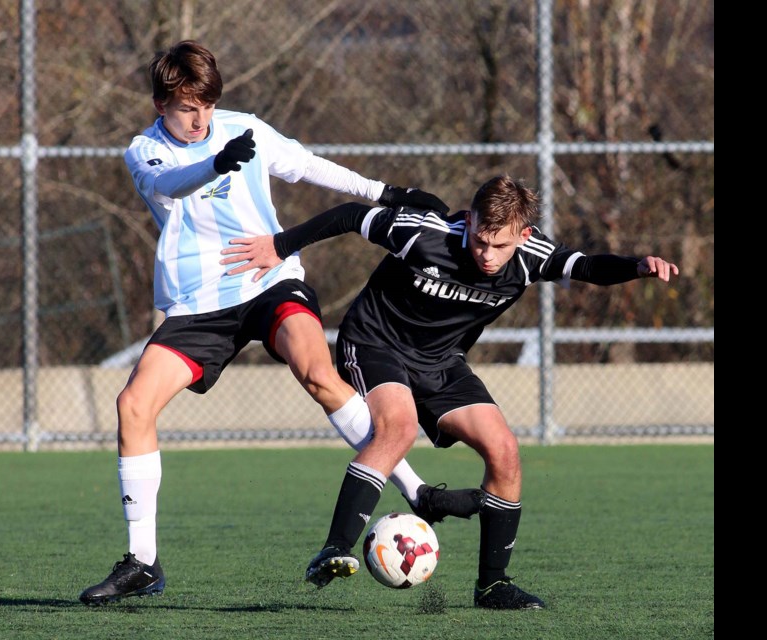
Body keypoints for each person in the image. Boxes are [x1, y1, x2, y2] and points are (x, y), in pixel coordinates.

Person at [78, 40, 482, 606]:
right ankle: (142, 562)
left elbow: (308, 167)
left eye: (208, 106)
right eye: (187, 108)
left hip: (269, 279)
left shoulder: (245, 128)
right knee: (132, 405)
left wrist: (388, 194)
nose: (201, 119)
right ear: (159, 103)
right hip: (199, 300)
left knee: (317, 371)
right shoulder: (144, 151)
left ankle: (416, 491)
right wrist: (215, 164)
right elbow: (171, 184)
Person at [221, 174, 680, 609]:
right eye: (480, 237)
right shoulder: (427, 233)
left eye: (499, 244)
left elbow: (587, 266)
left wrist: (637, 267)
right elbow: (348, 215)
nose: (486, 252)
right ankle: (334, 549)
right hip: (376, 342)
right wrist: (280, 246)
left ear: (523, 235)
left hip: (441, 363)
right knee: (397, 428)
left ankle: (493, 584)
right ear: (472, 219)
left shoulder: (531, 255)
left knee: (504, 450)